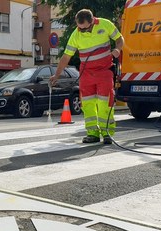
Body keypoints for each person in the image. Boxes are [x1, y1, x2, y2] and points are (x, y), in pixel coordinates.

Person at [50, 9, 124, 145]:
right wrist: (57, 74)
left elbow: (120, 39)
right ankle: (92, 133)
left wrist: (117, 49)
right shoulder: (76, 34)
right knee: (87, 104)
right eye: (79, 28)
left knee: (105, 103)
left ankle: (107, 133)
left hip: (104, 72)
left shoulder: (105, 24)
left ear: (92, 22)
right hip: (86, 74)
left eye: (84, 28)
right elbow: (66, 56)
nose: (81, 31)